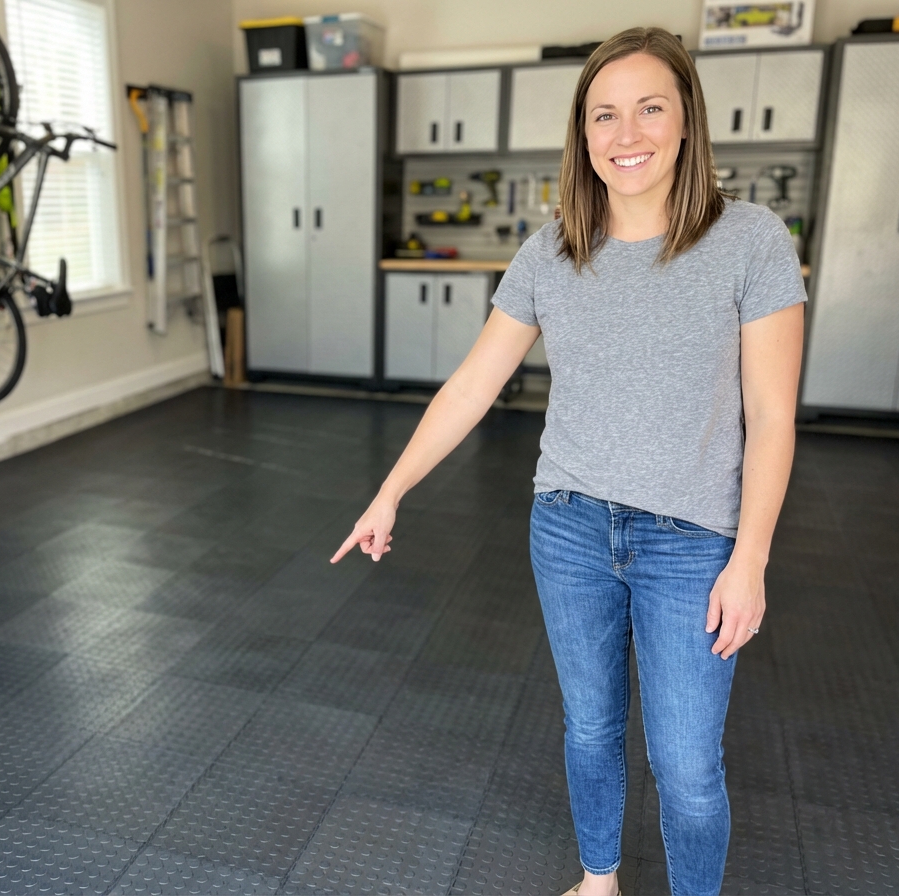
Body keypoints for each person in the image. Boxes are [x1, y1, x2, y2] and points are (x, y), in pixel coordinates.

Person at [330, 26, 806, 896]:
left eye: (650, 109)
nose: (627, 136)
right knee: (588, 726)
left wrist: (752, 560)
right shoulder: (551, 250)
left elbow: (773, 415)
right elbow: (473, 385)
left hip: (693, 542)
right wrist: (390, 491)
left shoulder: (750, 241)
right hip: (570, 530)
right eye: (604, 116)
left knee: (687, 764)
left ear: (688, 121)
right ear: (582, 135)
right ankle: (599, 881)